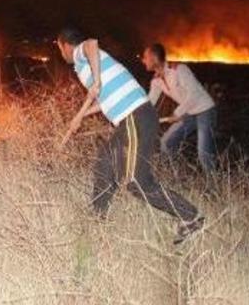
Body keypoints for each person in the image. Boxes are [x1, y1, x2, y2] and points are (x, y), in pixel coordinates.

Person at [56, 28, 203, 243]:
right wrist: (82, 115)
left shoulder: (81, 53)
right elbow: (105, 97)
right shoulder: (86, 66)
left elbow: (92, 43)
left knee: (136, 180)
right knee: (104, 165)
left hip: (135, 116)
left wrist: (96, 81)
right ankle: (97, 225)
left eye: (60, 49)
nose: (62, 54)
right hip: (129, 120)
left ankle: (191, 217)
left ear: (65, 45)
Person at [142, 43, 217, 175]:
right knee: (166, 143)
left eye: (145, 57)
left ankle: (215, 188)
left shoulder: (179, 69)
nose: (143, 60)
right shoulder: (156, 80)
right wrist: (136, 115)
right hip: (188, 112)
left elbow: (194, 94)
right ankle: (177, 178)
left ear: (154, 57)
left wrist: (177, 113)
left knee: (204, 154)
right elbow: (149, 103)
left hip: (205, 110)